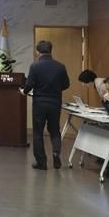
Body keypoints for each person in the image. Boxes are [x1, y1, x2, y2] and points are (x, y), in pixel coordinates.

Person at [22, 40, 70, 170]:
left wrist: (24, 92)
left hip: (39, 103)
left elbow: (29, 84)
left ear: (38, 52)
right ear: (50, 50)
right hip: (55, 102)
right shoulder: (60, 66)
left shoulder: (35, 66)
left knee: (38, 132)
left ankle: (41, 162)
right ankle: (56, 153)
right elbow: (66, 84)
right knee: (54, 130)